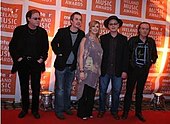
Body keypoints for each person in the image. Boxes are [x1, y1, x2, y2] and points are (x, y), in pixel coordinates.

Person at [9, 9, 49, 119]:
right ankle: (25, 109)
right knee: (24, 87)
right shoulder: (19, 30)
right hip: (23, 63)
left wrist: (41, 59)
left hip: (36, 63)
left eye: (39, 18)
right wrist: (18, 58)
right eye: (35, 18)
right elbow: (12, 46)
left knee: (36, 88)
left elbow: (45, 48)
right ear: (28, 19)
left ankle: (35, 110)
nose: (38, 20)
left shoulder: (42, 32)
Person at [121, 22, 158, 122]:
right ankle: (125, 112)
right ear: (139, 30)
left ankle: (138, 112)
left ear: (149, 31)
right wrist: (127, 68)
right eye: (143, 28)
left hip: (144, 70)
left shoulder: (151, 42)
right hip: (133, 70)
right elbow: (126, 55)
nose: (145, 30)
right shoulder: (132, 40)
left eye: (147, 29)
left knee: (139, 92)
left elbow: (155, 55)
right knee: (129, 92)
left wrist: (150, 62)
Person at [51, 12, 85, 120]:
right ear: (71, 21)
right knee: (60, 89)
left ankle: (66, 107)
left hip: (72, 67)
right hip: (61, 65)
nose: (78, 21)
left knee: (68, 88)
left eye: (80, 19)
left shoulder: (81, 34)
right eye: (76, 19)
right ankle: (59, 110)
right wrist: (59, 53)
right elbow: (53, 43)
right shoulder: (62, 31)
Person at [97, 16, 129, 120]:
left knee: (116, 92)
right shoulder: (102, 38)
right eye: (111, 24)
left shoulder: (124, 39)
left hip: (118, 71)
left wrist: (125, 70)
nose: (113, 26)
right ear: (108, 26)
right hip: (104, 70)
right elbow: (98, 55)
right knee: (102, 91)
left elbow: (126, 56)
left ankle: (114, 111)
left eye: (115, 24)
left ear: (118, 25)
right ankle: (101, 110)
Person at [76, 20, 103, 120]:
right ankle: (82, 113)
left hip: (95, 71)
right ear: (90, 28)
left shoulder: (98, 40)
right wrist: (81, 71)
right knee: (84, 92)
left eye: (97, 27)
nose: (96, 28)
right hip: (86, 70)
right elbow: (80, 56)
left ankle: (89, 111)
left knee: (91, 93)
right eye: (93, 26)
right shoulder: (85, 39)